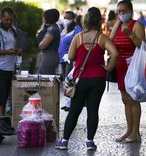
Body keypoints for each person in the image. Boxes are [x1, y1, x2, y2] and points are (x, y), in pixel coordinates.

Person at [55, 7, 118, 151]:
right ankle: (90, 141)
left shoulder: (79, 37)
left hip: (80, 79)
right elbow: (115, 53)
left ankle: (64, 141)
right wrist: (108, 68)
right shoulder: (102, 38)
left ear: (86, 22)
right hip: (98, 79)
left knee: (74, 110)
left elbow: (70, 57)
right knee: (93, 110)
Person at [110, 0, 146, 143]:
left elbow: (142, 46)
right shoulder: (118, 24)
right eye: (119, 11)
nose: (121, 14)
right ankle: (129, 130)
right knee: (125, 100)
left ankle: (135, 133)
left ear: (131, 11)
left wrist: (131, 35)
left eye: (124, 11)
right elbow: (109, 40)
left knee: (133, 99)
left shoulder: (136, 25)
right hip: (120, 67)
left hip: (133, 67)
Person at [38, 9, 60, 75]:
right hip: (48, 56)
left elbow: (42, 46)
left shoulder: (53, 30)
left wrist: (40, 42)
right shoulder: (51, 28)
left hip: (50, 57)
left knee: (46, 79)